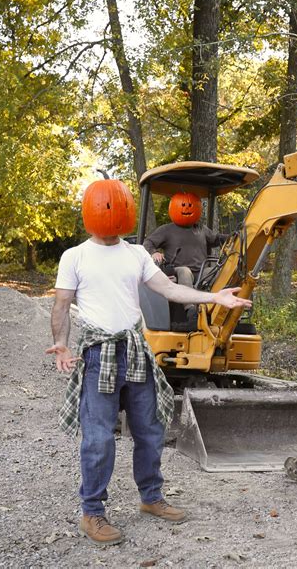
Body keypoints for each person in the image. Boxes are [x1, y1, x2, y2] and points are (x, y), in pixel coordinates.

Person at [46, 180, 251, 547]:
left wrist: (214, 296)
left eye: (116, 203)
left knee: (151, 430)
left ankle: (151, 498)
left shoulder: (136, 254)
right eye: (104, 204)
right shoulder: (74, 256)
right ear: (91, 210)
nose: (110, 208)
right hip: (99, 355)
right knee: (98, 439)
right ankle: (92, 512)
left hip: (136, 351)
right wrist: (60, 344)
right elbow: (61, 305)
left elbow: (171, 290)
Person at [144, 192, 228, 316]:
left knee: (221, 271)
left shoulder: (201, 229)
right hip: (177, 271)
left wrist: (232, 237)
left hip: (201, 272)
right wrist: (154, 252)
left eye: (192, 205)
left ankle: (220, 308)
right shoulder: (167, 230)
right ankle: (190, 309)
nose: (187, 208)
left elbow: (216, 239)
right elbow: (148, 242)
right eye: (183, 205)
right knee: (185, 271)